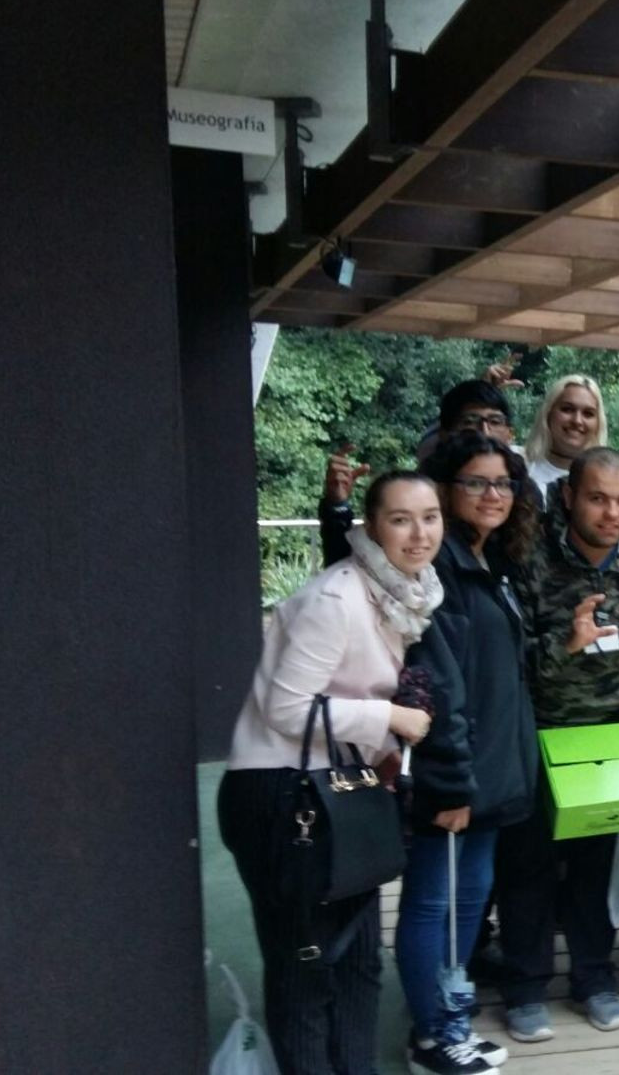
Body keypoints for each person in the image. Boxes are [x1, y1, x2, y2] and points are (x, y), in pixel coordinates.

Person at [219, 472, 439, 1075]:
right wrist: (389, 716)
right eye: (400, 518)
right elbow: (287, 708)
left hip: (340, 795)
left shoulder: (402, 597)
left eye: (429, 516)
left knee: (360, 960)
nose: (419, 533)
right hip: (281, 794)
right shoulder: (336, 598)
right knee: (306, 965)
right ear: (371, 526)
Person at [500, 448, 619, 1041]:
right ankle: (524, 989)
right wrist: (565, 646)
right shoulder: (528, 558)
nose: (612, 512)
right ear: (569, 496)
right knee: (528, 873)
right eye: (598, 498)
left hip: (613, 741)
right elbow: (506, 661)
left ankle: (594, 980)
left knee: (595, 872)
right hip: (538, 737)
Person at [387, 438, 541, 1075]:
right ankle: (430, 1035)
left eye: (502, 484)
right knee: (430, 904)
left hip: (490, 773)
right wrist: (450, 783)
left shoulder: (490, 562)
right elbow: (438, 686)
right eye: (476, 483)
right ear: (446, 490)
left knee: (469, 903)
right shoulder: (437, 574)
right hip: (454, 774)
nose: (492, 495)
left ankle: (452, 1022)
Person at [318, 380, 518, 567]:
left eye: (495, 421)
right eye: (470, 422)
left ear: (510, 434)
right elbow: (356, 567)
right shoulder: (416, 493)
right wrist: (337, 507)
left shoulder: (522, 495)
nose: (484, 431)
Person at [522, 373, 607, 496]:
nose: (577, 421)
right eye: (567, 409)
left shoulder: (608, 480)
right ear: (548, 413)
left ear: (598, 423)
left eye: (588, 414)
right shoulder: (518, 465)